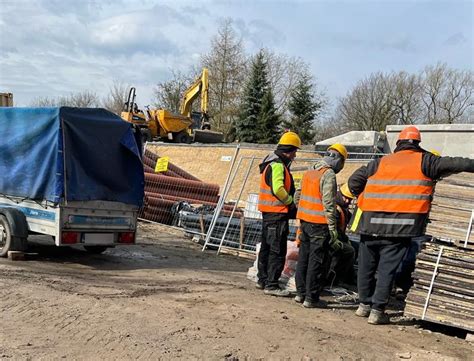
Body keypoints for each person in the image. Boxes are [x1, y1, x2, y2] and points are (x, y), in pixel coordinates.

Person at [346, 125, 474, 325]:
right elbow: (457, 163)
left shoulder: (379, 162)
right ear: (417, 143)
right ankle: (377, 311)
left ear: (398, 143)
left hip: (370, 224)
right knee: (387, 269)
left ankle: (363, 306)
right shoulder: (426, 161)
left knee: (366, 266)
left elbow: (354, 182)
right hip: (400, 229)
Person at [294, 143, 348, 308]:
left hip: (305, 222)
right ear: (338, 160)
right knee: (316, 261)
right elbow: (328, 203)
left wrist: (303, 211)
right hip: (319, 225)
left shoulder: (311, 170)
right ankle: (311, 298)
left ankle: (300, 293)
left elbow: (298, 195)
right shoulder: (328, 174)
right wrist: (333, 228)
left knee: (303, 258)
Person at [257, 131, 301, 297]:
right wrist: (290, 202)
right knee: (277, 250)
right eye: (294, 151)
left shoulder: (269, 162)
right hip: (277, 214)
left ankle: (262, 279)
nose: (295, 155)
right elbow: (278, 189)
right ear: (288, 151)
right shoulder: (277, 165)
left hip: (268, 214)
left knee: (266, 249)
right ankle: (272, 284)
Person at [325, 184, 356, 288]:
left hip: (338, 238)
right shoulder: (336, 209)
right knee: (349, 251)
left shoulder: (344, 210)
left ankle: (350, 278)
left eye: (350, 200)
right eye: (346, 198)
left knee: (354, 248)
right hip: (332, 240)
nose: (348, 201)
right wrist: (344, 240)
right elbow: (335, 230)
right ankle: (334, 279)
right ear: (339, 194)